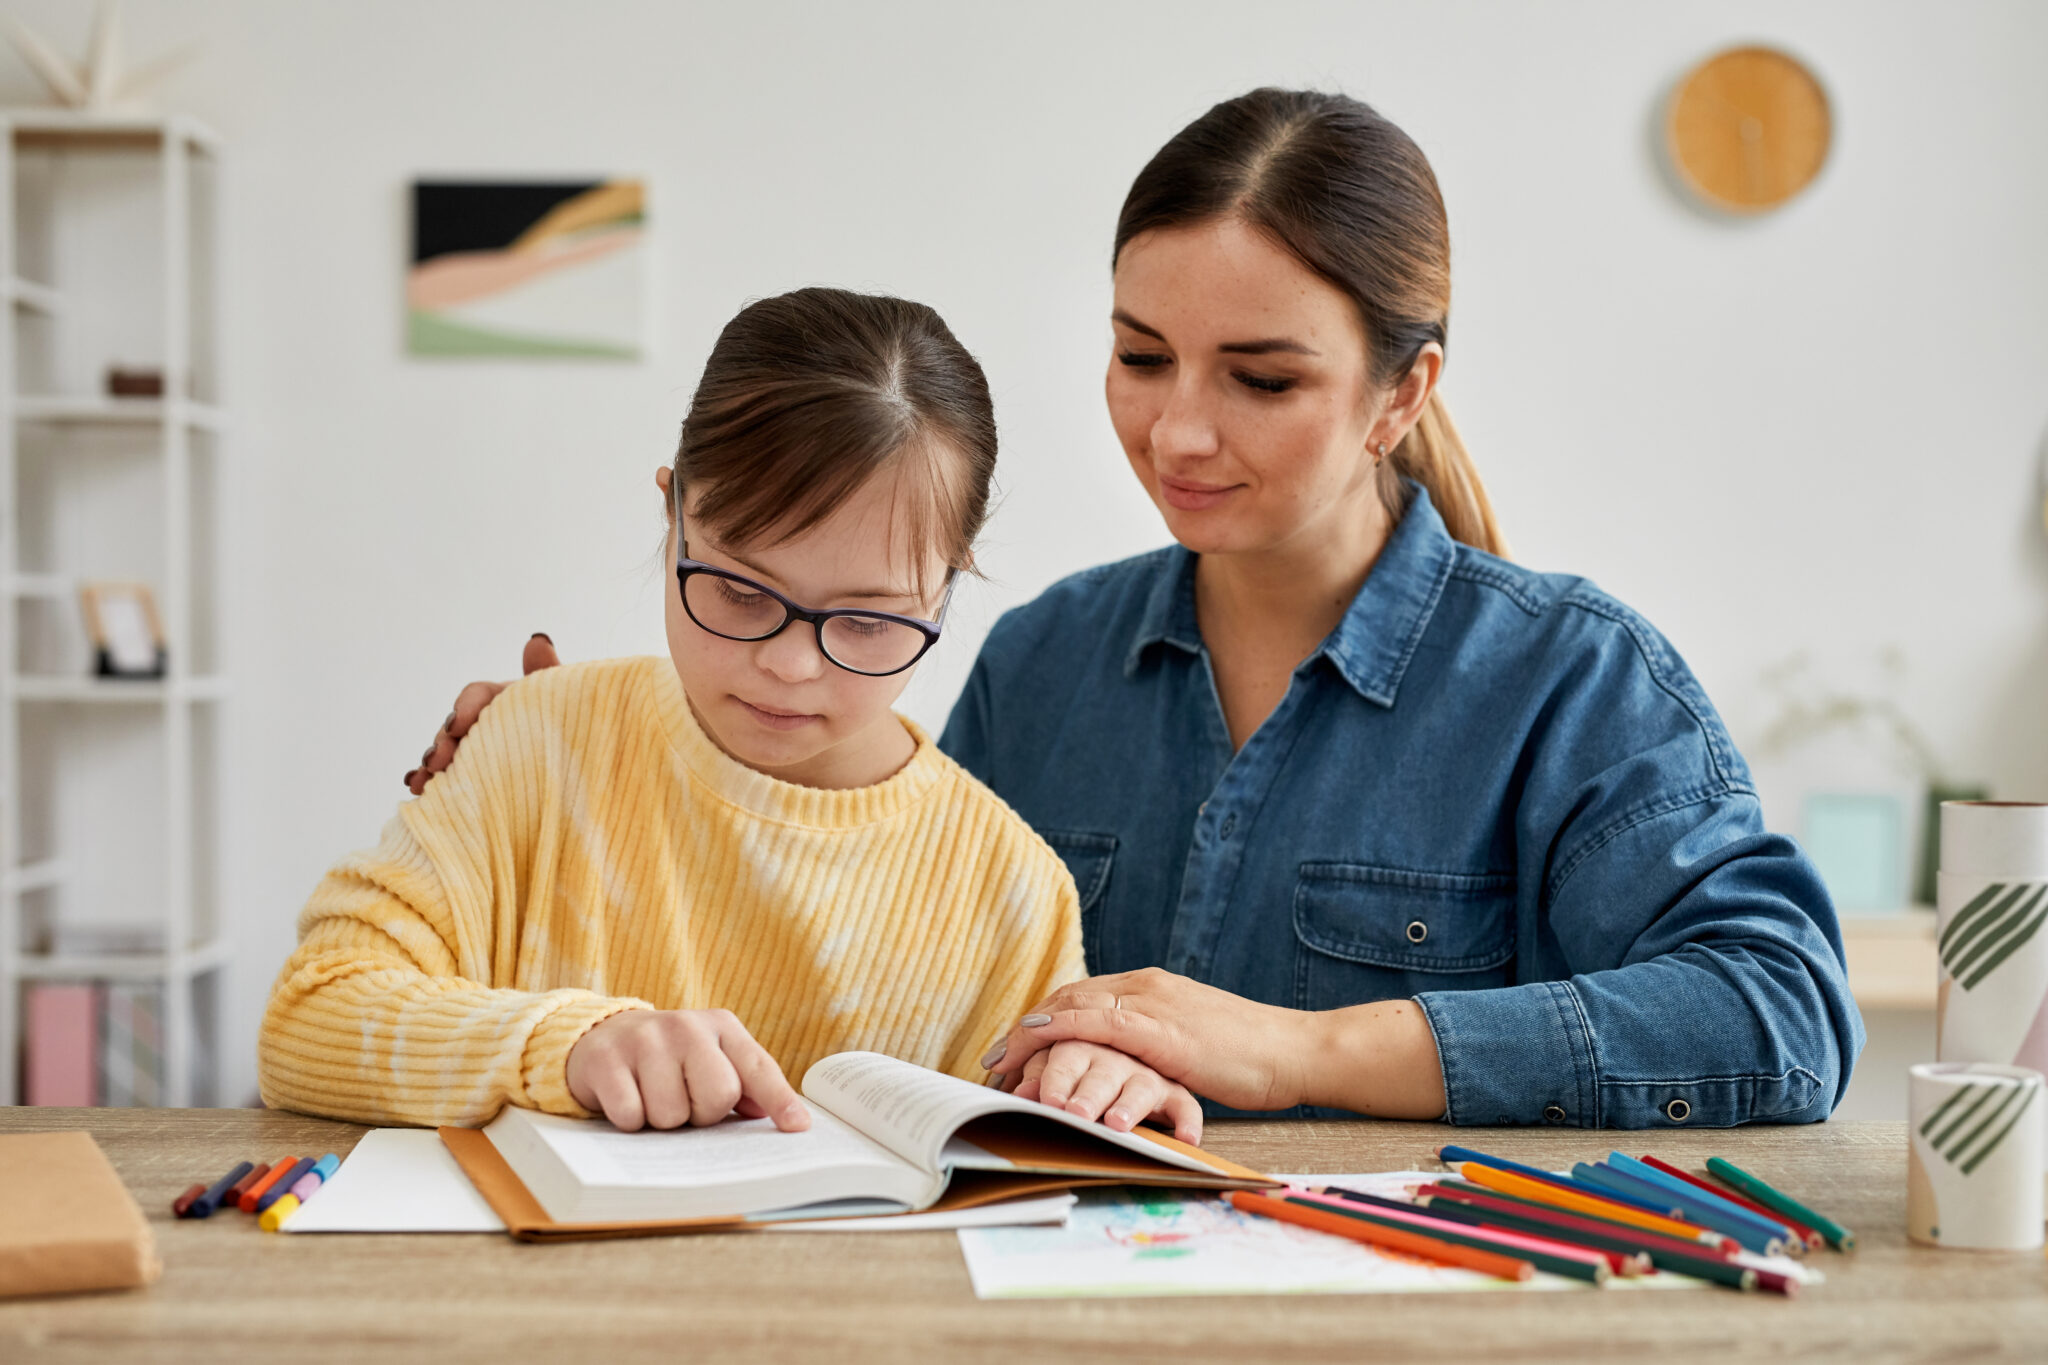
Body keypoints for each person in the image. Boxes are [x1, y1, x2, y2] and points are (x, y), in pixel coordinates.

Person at [416, 90, 1864, 1130]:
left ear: (1401, 394)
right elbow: (865, 914)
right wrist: (594, 743)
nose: (1177, 432)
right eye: (1140, 353)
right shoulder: (1048, 658)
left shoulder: (1571, 681)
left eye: (1262, 377)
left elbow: (1779, 1014)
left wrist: (1306, 1050)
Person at [261, 287, 1201, 1141]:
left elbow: (1013, 1163)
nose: (789, 665)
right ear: (672, 514)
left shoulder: (1009, 891)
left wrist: (1098, 1090)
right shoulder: (538, 746)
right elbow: (308, 1020)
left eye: (869, 619)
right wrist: (569, 1044)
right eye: (740, 591)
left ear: (948, 589)